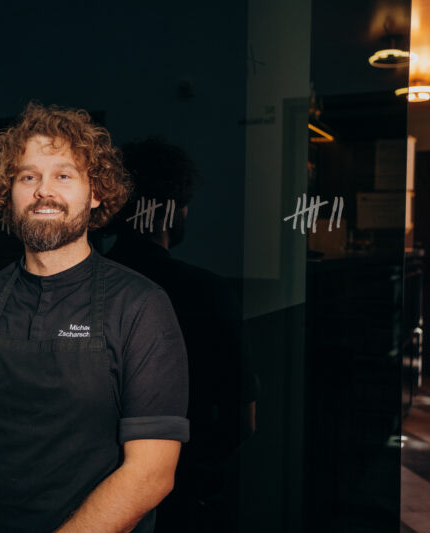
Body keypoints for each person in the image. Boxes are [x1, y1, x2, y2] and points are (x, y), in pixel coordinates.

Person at [0, 103, 189, 533]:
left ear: (95, 192)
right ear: (9, 192)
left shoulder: (141, 307)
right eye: (28, 177)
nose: (44, 191)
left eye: (63, 175)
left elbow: (151, 472)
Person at [105, 139, 259, 532]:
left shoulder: (79, 288)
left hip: (93, 493)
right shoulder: (206, 291)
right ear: (173, 210)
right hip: (185, 496)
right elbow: (242, 419)